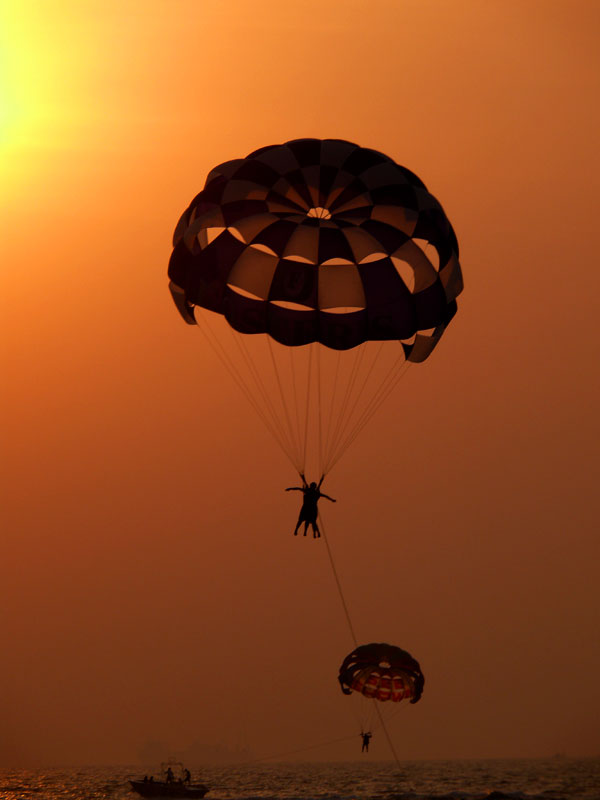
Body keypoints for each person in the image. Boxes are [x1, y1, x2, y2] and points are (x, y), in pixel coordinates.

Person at [286, 474, 336, 538]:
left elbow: (298, 488)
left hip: (307, 508)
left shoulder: (310, 491)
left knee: (303, 520)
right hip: (310, 508)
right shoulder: (314, 492)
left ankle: (305, 531)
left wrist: (289, 489)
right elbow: (325, 496)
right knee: (308, 520)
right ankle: (302, 531)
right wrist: (332, 500)